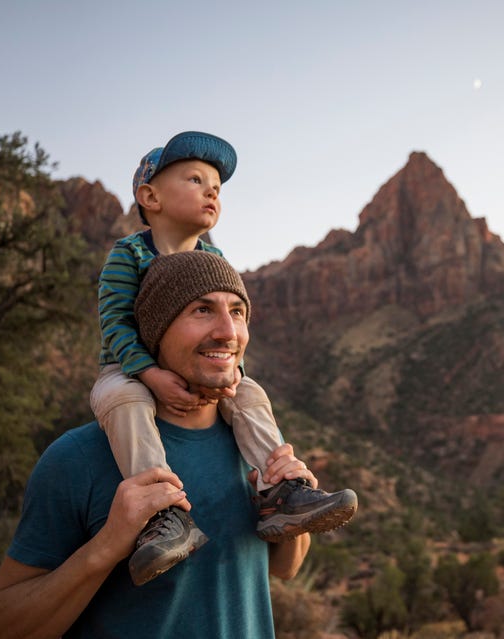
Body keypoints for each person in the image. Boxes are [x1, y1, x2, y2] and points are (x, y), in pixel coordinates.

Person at [0, 251, 354, 639]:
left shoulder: (253, 443)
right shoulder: (79, 458)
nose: (228, 331)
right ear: (156, 329)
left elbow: (284, 568)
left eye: (238, 311)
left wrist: (287, 513)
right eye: (203, 310)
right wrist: (107, 545)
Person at [89, 131, 357, 585]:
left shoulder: (214, 258)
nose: (212, 190)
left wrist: (231, 377)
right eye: (195, 179)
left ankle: (280, 491)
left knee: (249, 392)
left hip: (204, 372)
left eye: (216, 184)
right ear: (149, 196)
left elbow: (225, 339)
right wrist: (150, 373)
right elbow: (114, 321)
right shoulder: (129, 253)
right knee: (122, 400)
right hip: (130, 369)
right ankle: (164, 516)